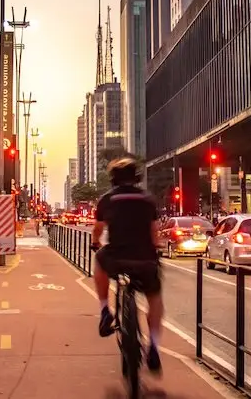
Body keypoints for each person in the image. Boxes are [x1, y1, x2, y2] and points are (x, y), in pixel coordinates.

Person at [91, 157, 164, 373]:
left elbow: (97, 230)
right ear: (137, 178)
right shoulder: (147, 200)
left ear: (113, 179)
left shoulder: (107, 199)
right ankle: (154, 346)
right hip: (145, 259)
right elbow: (154, 234)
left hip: (116, 257)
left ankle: (105, 309)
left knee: (99, 261)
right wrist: (155, 251)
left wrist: (96, 243)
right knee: (155, 300)